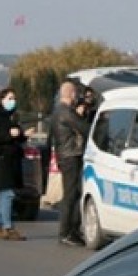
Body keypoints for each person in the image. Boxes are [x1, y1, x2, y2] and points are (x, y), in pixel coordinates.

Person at [50, 81, 90, 247]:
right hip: (71, 156)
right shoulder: (66, 112)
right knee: (71, 195)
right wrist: (81, 115)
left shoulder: (58, 111)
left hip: (65, 155)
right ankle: (66, 232)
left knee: (74, 193)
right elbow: (85, 128)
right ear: (72, 94)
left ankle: (71, 230)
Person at [0, 88, 27, 241]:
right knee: (8, 193)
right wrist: (9, 135)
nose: (12, 101)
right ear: (2, 99)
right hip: (1, 160)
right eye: (10, 98)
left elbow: (16, 137)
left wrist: (23, 135)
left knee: (5, 194)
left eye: (14, 98)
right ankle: (8, 227)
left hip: (12, 160)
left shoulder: (12, 116)